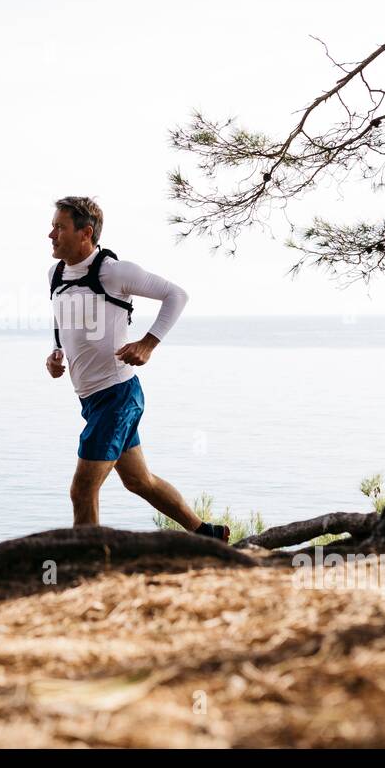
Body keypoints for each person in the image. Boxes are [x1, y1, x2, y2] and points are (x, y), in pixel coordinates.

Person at [45, 196, 229, 542]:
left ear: (85, 233)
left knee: (82, 488)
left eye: (60, 227)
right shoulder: (55, 274)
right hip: (91, 400)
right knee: (139, 481)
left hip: (118, 396)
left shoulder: (114, 271)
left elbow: (177, 295)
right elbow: (63, 320)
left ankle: (90, 568)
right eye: (52, 226)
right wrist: (56, 354)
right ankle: (208, 534)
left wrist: (148, 343)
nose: (51, 234)